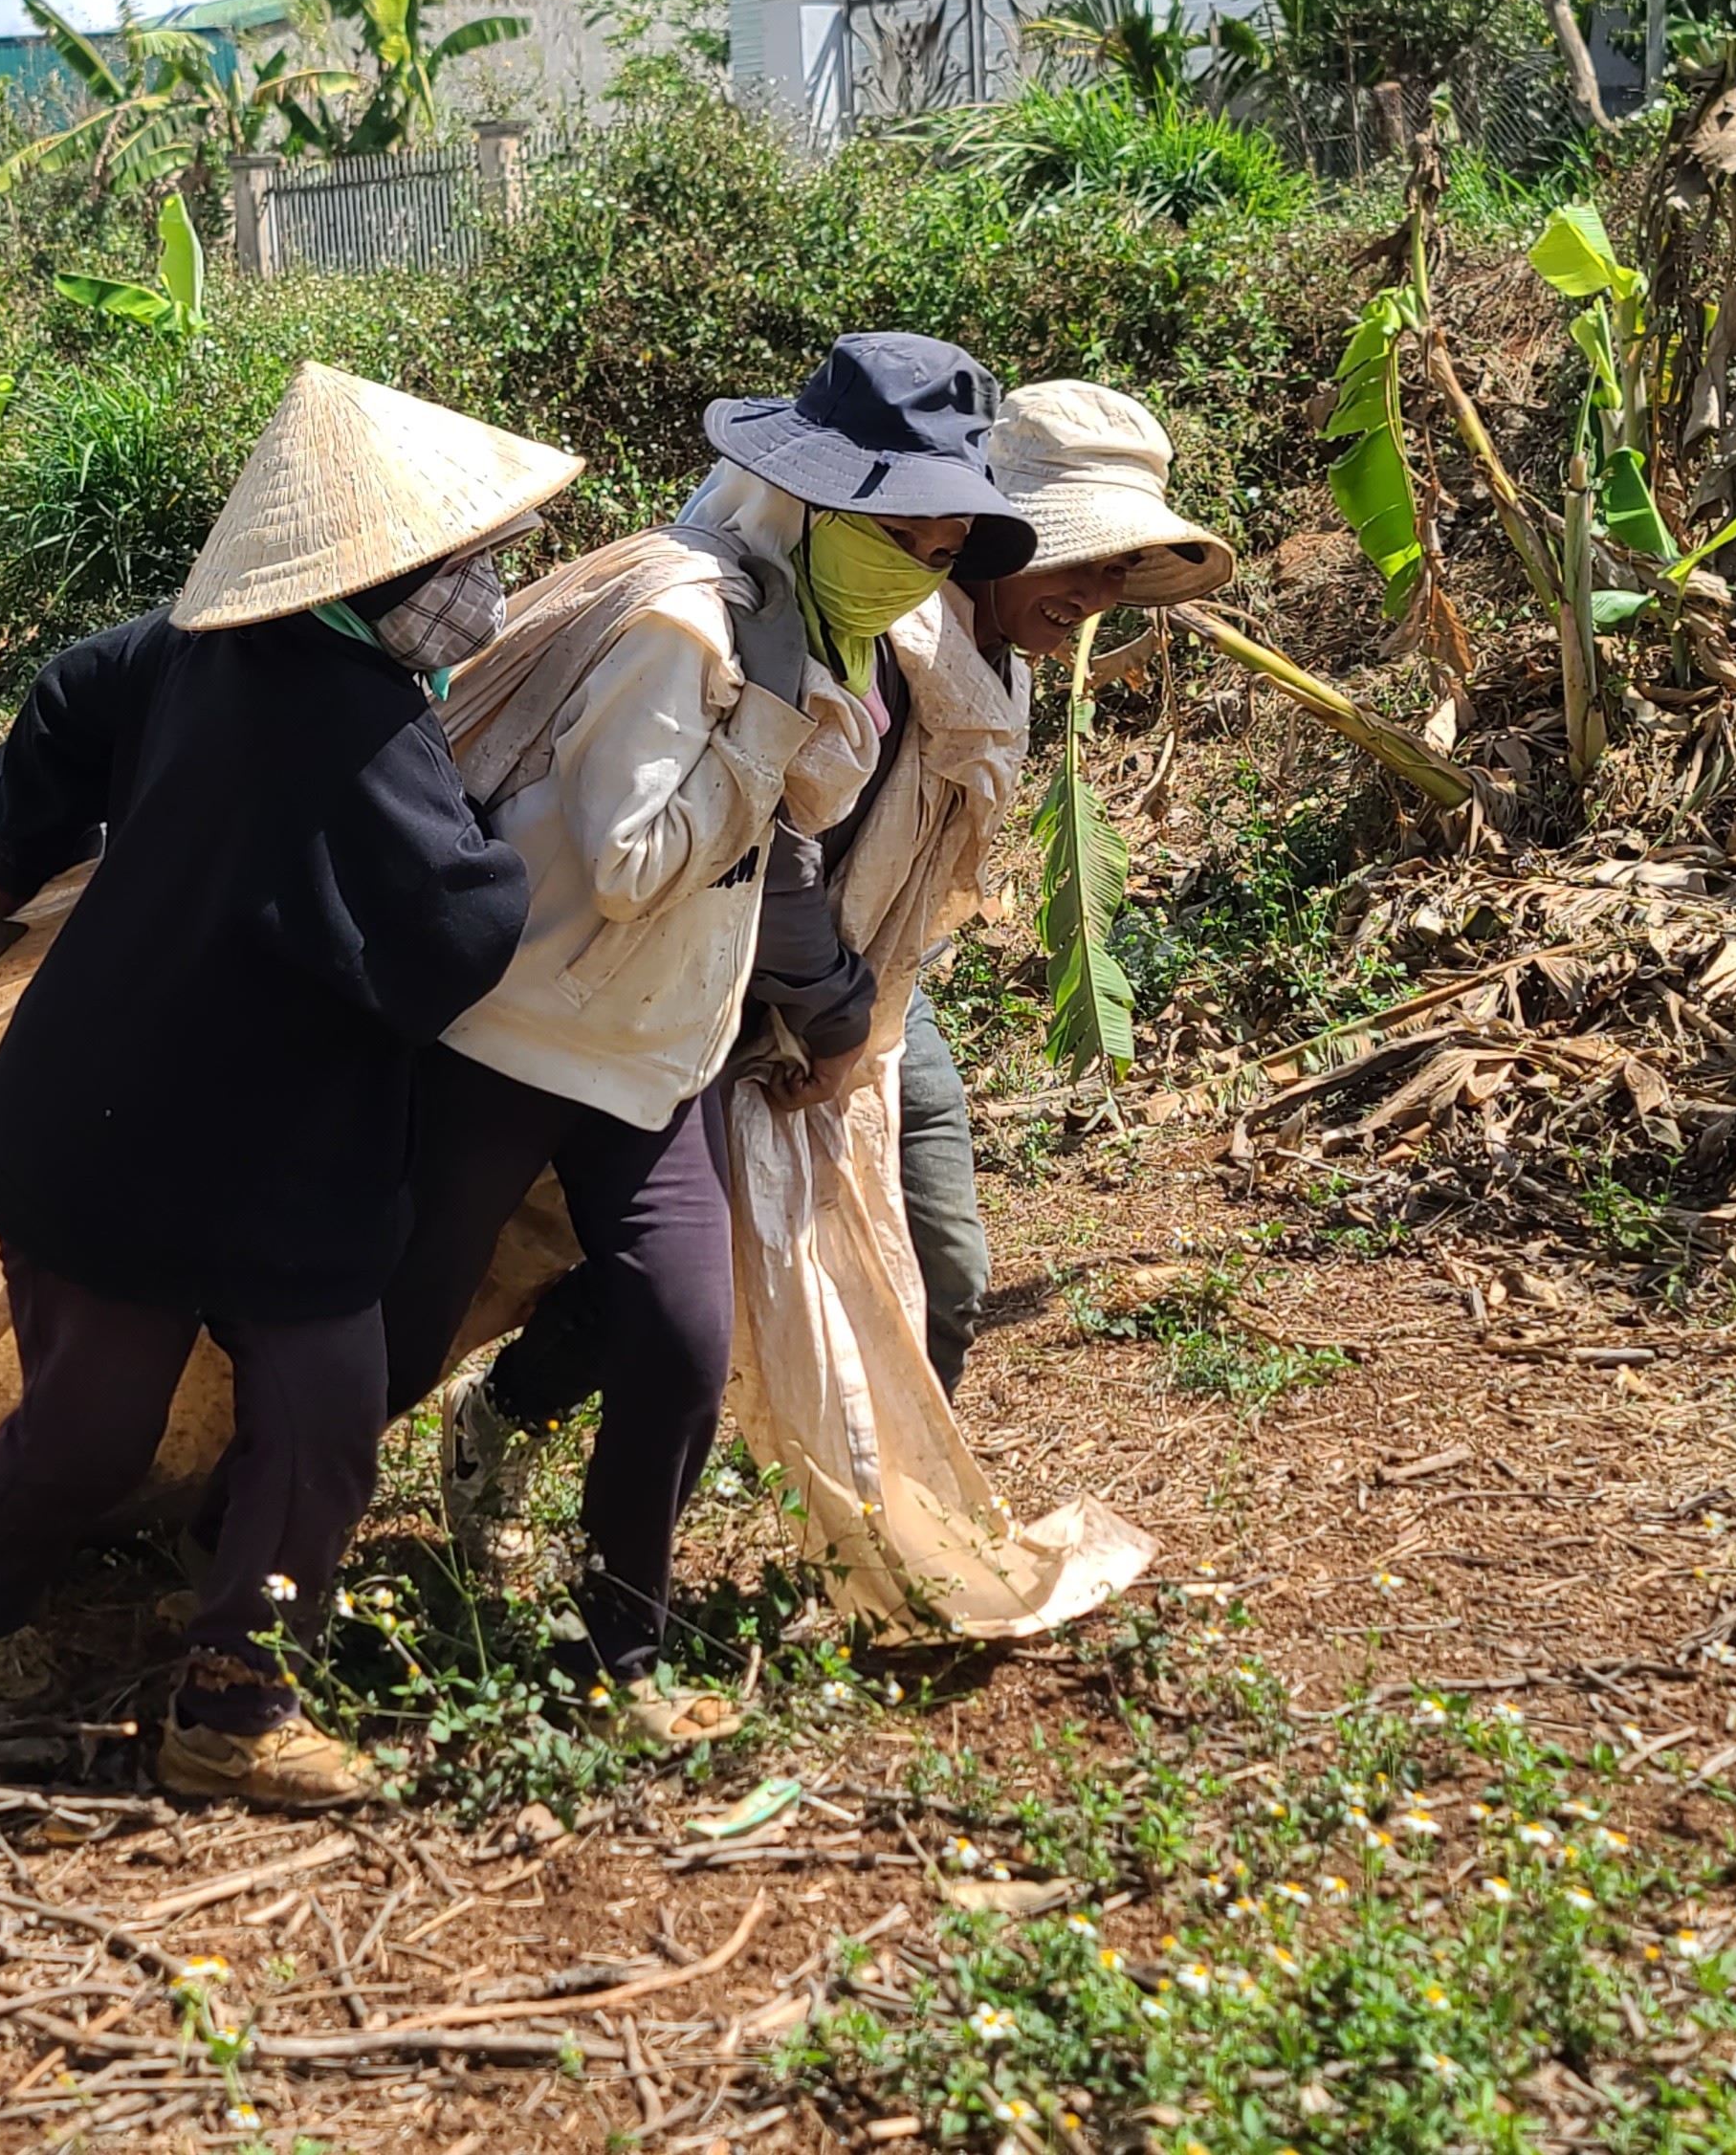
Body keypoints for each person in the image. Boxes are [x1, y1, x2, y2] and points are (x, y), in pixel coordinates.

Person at [0, 363, 580, 1810]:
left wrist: (8, 869)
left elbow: (70, 696)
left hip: (162, 1126)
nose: (488, 590)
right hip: (181, 1144)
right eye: (469, 564)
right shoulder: (360, 723)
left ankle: (236, 1696)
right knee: (147, 1432)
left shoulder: (198, 649)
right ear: (384, 571)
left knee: (259, 1414)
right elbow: (450, 936)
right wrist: (521, 845)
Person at [373, 334, 1032, 1747]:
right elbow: (624, 859)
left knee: (679, 1339)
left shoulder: (833, 651)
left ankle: (623, 1661)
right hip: (521, 1037)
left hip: (659, 1056)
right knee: (397, 1334)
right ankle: (253, 1576)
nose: (922, 558)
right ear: (808, 504)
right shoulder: (690, 622)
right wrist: (761, 746)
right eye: (897, 528)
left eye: (943, 535)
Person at [894, 380, 1235, 1394]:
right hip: (760, 992)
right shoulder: (890, 640)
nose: (1098, 591)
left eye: (1120, 566)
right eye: (1082, 554)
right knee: (673, 1277)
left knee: (944, 1269)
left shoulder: (1012, 656)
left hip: (882, 994)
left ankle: (907, 1514)